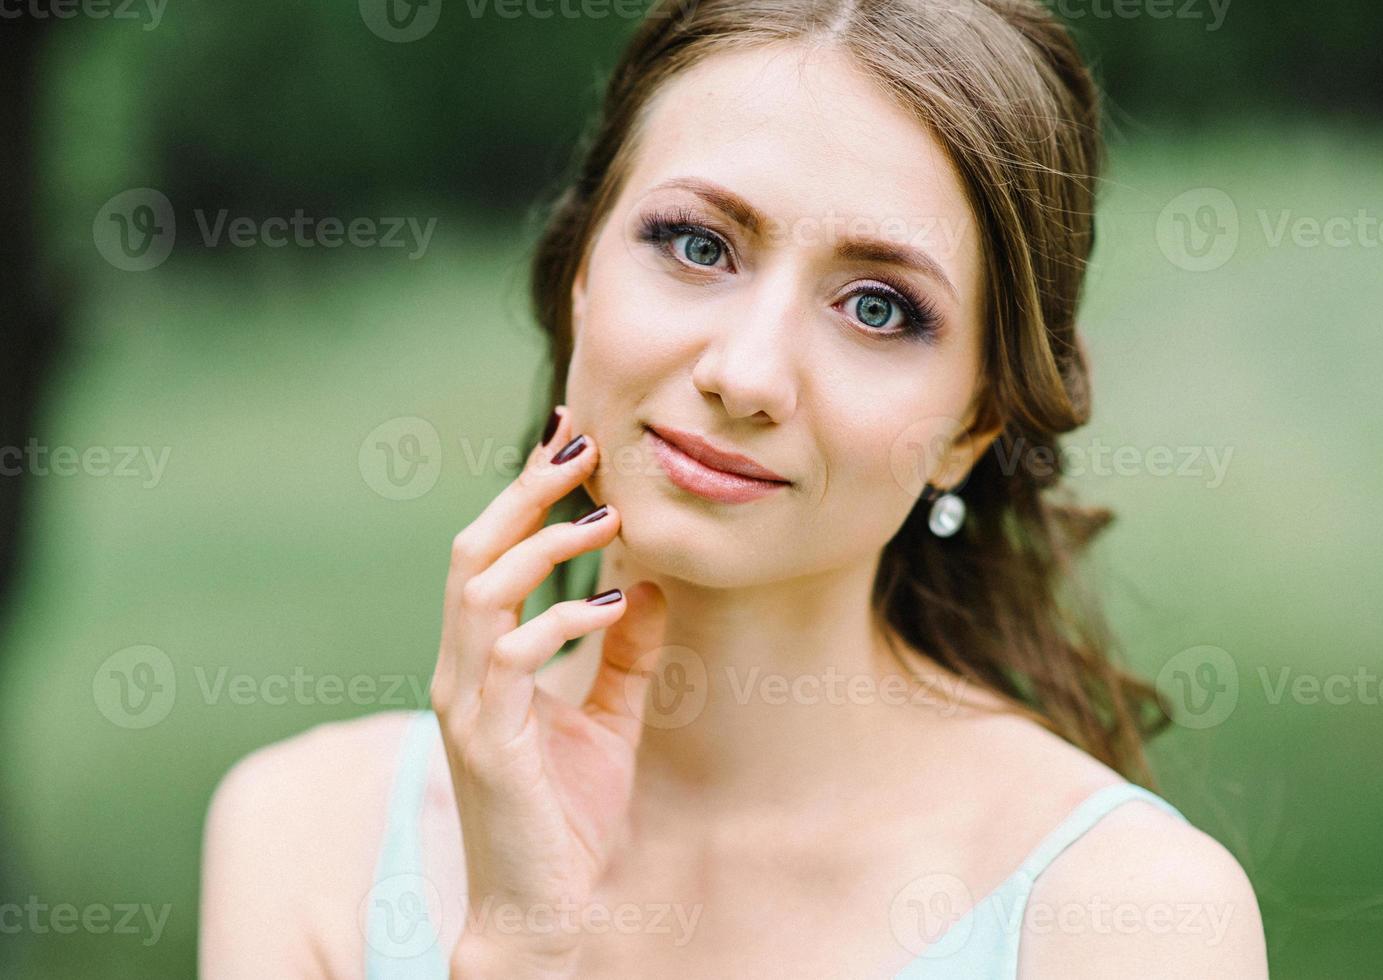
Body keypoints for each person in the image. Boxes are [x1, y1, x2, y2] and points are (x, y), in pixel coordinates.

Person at [199, 1, 1269, 976]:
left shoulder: (1125, 915)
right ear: (580, 275)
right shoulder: (304, 838)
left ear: (973, 425)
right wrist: (519, 946)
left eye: (879, 307)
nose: (747, 374)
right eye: (698, 244)